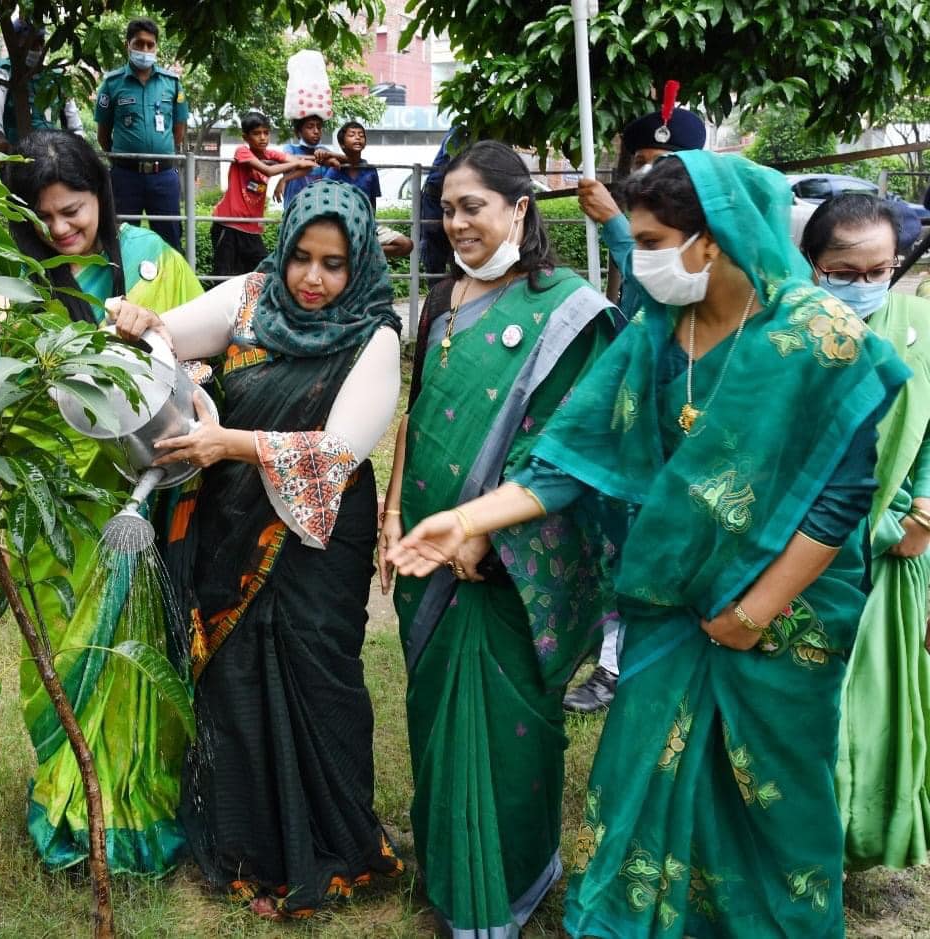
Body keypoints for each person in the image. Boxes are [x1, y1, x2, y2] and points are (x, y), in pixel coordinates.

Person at [389, 151, 909, 938]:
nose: (644, 257)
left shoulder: (818, 340)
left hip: (784, 615)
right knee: (641, 779)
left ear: (713, 239)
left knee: (768, 799)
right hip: (672, 604)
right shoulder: (656, 336)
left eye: (654, 238)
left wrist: (755, 610)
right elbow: (565, 458)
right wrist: (467, 520)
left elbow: (841, 501)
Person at [125, 180, 404, 919]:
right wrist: (137, 318)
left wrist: (228, 442)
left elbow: (338, 451)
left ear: (360, 264)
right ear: (281, 252)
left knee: (320, 680)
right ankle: (249, 846)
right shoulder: (250, 297)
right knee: (235, 678)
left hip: (319, 538)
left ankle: (337, 846)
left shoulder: (373, 334)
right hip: (233, 521)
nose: (313, 279)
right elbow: (166, 335)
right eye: (301, 258)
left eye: (334, 263)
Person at [378, 140, 619, 937]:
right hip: (426, 545)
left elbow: (568, 445)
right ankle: (450, 862)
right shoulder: (445, 300)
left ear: (520, 208)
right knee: (436, 720)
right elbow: (416, 414)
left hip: (506, 564)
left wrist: (484, 536)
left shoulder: (569, 309)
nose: (456, 222)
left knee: (508, 729)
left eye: (472, 205)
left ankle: (509, 877)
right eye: (446, 208)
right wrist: (389, 510)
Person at [0, 130, 203, 875]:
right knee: (67, 649)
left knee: (140, 656)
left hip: (144, 500)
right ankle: (72, 799)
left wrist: (156, 334)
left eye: (75, 210)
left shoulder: (155, 262)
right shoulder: (17, 284)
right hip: (59, 509)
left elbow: (207, 362)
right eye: (46, 216)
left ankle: (137, 807)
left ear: (103, 198)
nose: (62, 229)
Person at [565, 83, 708, 714]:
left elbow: (665, 289)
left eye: (666, 170)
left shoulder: (704, 260)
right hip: (637, 419)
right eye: (641, 168)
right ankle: (612, 660)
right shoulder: (639, 241)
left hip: (694, 430)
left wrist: (619, 230)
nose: (650, 180)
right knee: (622, 535)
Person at [801, 194, 930, 872]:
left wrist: (923, 513)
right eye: (843, 270)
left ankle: (861, 838)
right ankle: (800, 841)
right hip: (802, 556)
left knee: (876, 704)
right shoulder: (785, 333)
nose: (863, 283)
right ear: (812, 266)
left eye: (877, 268)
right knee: (806, 706)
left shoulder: (922, 325)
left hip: (898, 547)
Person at [95, 18, 187, 250]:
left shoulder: (172, 83)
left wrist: (160, 153)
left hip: (163, 177)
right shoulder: (112, 84)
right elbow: (103, 133)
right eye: (139, 44)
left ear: (156, 47)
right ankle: (121, 287)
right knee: (120, 241)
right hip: (125, 177)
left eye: (150, 44)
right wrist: (121, 160)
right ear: (128, 45)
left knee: (170, 242)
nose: (145, 50)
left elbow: (179, 129)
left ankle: (169, 286)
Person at [209, 111, 314, 277]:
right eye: (256, 134)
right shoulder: (242, 151)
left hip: (251, 229)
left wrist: (285, 180)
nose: (263, 137)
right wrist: (288, 168)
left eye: (266, 133)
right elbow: (268, 170)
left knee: (264, 274)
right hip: (228, 225)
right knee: (224, 276)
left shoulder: (271, 155)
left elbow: (308, 165)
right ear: (246, 137)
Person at [0, 20, 82, 149]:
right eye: (32, 44)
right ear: (16, 43)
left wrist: (80, 148)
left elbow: (73, 122)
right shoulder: (0, 71)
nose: (38, 49)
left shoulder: (56, 77)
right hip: (16, 154)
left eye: (41, 42)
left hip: (52, 156)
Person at [324, 121, 412, 258]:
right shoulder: (334, 171)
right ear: (342, 144)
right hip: (342, 228)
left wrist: (370, 225)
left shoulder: (370, 170)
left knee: (406, 244)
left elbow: (372, 203)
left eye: (361, 135)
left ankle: (363, 253)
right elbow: (327, 204)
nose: (358, 137)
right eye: (352, 135)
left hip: (368, 226)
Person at [418, 124, 466, 276]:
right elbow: (453, 159)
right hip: (436, 199)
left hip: (453, 196)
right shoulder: (461, 132)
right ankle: (437, 294)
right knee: (435, 250)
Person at [273, 114, 336, 207]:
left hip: (320, 209)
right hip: (295, 210)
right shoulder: (290, 148)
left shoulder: (324, 151)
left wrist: (327, 155)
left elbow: (338, 162)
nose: (316, 131)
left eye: (319, 127)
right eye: (310, 127)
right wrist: (318, 158)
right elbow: (289, 158)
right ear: (298, 132)